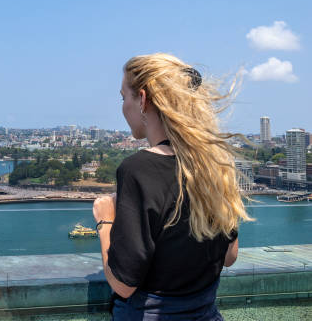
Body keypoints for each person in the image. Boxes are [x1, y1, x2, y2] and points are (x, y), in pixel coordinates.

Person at [93, 53, 251, 320]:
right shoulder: (215, 163)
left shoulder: (137, 169)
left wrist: (105, 220)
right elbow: (229, 255)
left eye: (124, 98)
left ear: (142, 100)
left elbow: (124, 284)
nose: (123, 107)